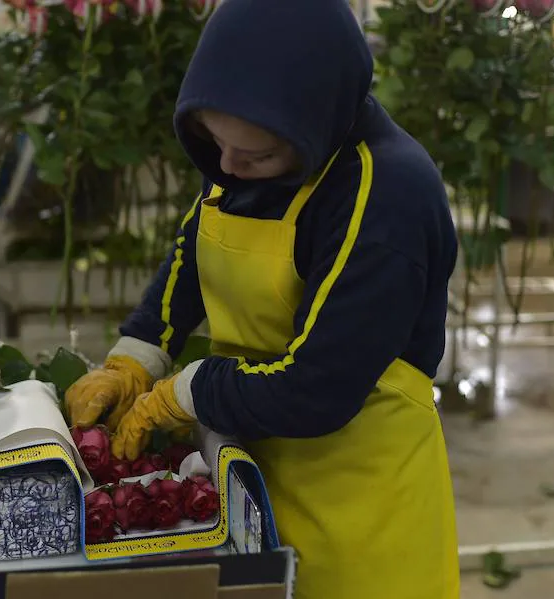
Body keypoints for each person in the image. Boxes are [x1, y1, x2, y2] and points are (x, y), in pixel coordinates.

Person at [64, 0, 460, 597]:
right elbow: (195, 253)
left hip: (359, 514)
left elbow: (316, 390)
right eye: (214, 144)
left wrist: (183, 393)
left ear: (312, 123)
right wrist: (138, 356)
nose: (225, 166)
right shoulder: (245, 157)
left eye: (253, 156)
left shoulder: (386, 198)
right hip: (254, 470)